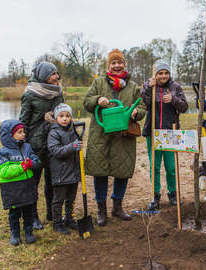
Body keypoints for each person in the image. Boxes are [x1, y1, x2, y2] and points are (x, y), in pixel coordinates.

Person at [83, 49, 146, 226]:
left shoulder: (133, 87)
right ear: (109, 65)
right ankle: (102, 210)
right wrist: (97, 100)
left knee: (122, 172)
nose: (117, 65)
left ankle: (117, 207)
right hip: (101, 135)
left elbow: (142, 107)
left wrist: (136, 112)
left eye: (120, 62)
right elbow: (86, 102)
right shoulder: (98, 83)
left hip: (123, 136)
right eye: (114, 63)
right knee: (100, 172)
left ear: (124, 64)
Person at [19, 62, 64, 230]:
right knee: (34, 182)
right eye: (53, 74)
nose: (57, 77)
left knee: (52, 180)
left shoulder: (58, 91)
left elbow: (62, 112)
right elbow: (23, 121)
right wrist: (22, 145)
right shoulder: (30, 95)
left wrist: (58, 117)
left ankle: (52, 213)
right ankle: (33, 217)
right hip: (35, 144)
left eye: (57, 74)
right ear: (44, 76)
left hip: (54, 143)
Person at [141, 61, 188, 210]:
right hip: (153, 132)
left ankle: (172, 194)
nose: (163, 76)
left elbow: (185, 107)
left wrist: (173, 100)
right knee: (154, 166)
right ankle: (155, 196)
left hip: (170, 132)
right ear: (155, 74)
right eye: (160, 73)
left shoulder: (175, 87)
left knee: (171, 166)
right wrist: (149, 87)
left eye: (166, 73)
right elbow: (145, 102)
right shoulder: (149, 86)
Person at [0, 120, 40, 246]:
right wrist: (22, 167)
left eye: (23, 131)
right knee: (14, 213)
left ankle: (29, 232)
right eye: (20, 132)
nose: (23, 134)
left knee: (28, 212)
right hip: (12, 189)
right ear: (9, 135)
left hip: (27, 186)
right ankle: (15, 233)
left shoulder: (27, 147)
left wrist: (32, 163)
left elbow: (36, 160)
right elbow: (2, 171)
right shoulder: (3, 153)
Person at [47, 104, 81, 234]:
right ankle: (57, 223)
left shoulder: (74, 131)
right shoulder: (53, 133)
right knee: (58, 199)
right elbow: (55, 151)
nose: (65, 119)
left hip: (73, 172)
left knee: (71, 199)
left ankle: (69, 219)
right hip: (60, 173)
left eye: (67, 116)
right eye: (61, 116)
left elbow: (77, 149)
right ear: (56, 118)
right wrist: (72, 146)